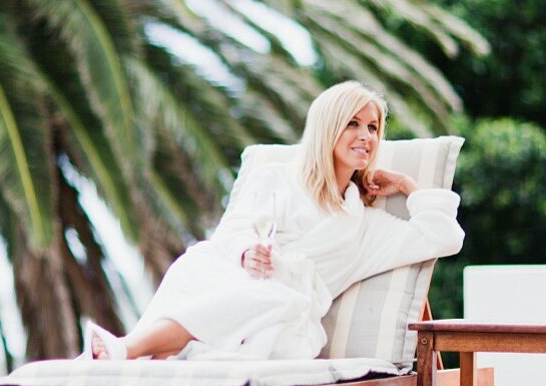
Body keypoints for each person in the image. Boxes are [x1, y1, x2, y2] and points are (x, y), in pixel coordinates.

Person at [85, 80, 463, 362]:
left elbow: (442, 236)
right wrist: (248, 252)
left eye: (373, 128)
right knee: (197, 261)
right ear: (327, 128)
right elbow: (235, 228)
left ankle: (125, 350)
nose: (366, 136)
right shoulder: (277, 179)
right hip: (240, 281)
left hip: (283, 320)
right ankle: (128, 352)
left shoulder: (363, 227)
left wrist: (407, 184)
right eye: (353, 123)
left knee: (266, 296)